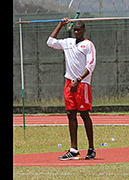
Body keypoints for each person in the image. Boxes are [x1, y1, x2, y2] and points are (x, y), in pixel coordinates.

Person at [47, 18, 96, 160]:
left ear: (84, 30)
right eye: (74, 29)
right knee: (70, 114)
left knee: (84, 114)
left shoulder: (88, 45)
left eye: (78, 29)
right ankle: (74, 150)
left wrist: (79, 79)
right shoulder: (67, 43)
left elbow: (90, 65)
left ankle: (91, 148)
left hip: (82, 83)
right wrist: (60, 25)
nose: (76, 32)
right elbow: (50, 42)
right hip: (69, 83)